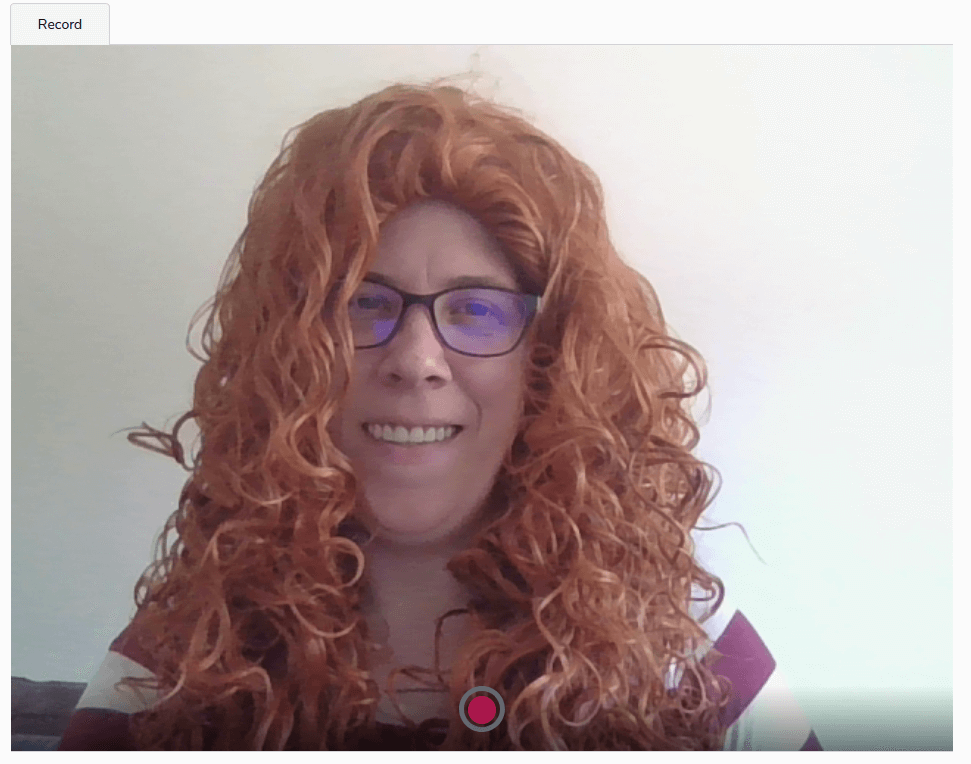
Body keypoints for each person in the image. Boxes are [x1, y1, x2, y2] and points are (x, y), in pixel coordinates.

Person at [59, 80, 822, 751]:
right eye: (364, 302)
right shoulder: (179, 660)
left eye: (477, 310)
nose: (416, 359)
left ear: (548, 366)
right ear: (291, 353)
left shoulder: (687, 655)